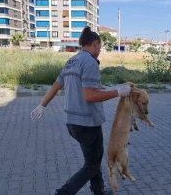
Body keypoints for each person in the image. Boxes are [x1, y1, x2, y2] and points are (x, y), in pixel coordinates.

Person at [30, 26, 131, 195]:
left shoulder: (71, 62)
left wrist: (42, 105)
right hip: (88, 123)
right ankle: (63, 193)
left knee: (93, 160)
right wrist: (117, 92)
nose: (99, 51)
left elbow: (55, 86)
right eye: (99, 47)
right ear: (94, 44)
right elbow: (90, 96)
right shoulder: (90, 62)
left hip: (72, 123)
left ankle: (98, 191)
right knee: (92, 164)